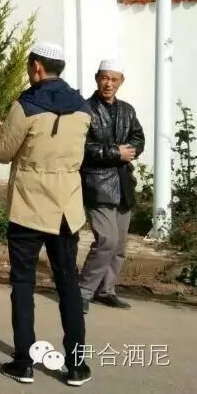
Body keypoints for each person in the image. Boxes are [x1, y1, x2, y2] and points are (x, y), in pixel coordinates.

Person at [0, 42, 92, 387]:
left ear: (36, 67)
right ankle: (76, 365)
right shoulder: (83, 107)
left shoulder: (25, 106)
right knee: (68, 285)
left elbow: (2, 153)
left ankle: (24, 362)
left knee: (23, 284)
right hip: (66, 210)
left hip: (29, 208)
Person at [79, 59, 145, 313]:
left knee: (119, 246)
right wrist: (116, 152)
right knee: (106, 240)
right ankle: (82, 291)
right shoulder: (85, 109)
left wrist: (131, 150)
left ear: (121, 81)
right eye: (105, 78)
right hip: (97, 183)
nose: (108, 84)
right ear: (97, 78)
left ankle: (105, 290)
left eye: (114, 79)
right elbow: (82, 147)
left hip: (123, 183)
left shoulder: (127, 110)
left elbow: (138, 138)